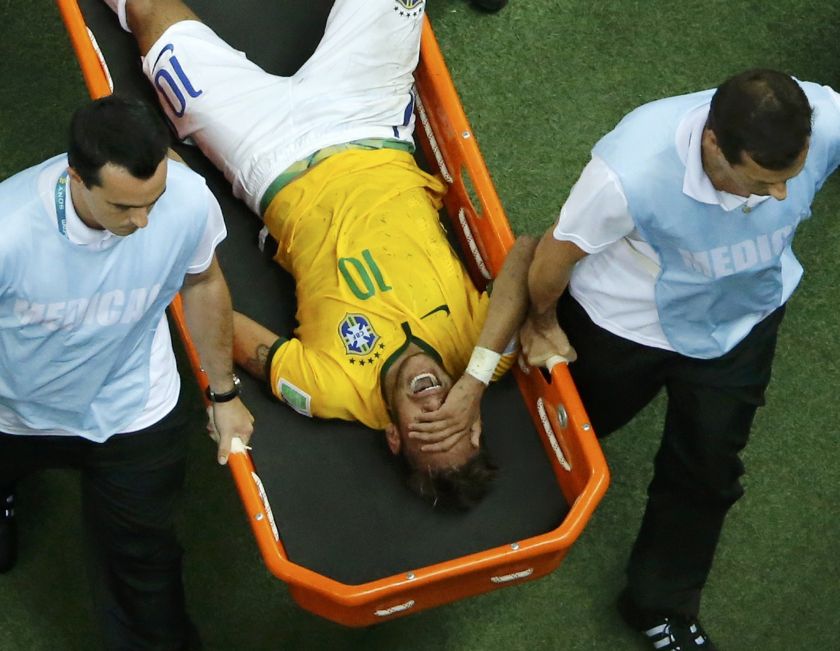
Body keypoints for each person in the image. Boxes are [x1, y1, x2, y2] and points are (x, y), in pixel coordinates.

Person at [105, 0, 536, 509]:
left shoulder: (329, 391)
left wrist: (172, 220)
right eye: (454, 423)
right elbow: (525, 256)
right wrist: (476, 379)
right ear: (475, 421)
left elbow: (222, 325)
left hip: (265, 154)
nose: (435, 407)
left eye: (426, 431)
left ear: (394, 437)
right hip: (370, 116)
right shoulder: (482, 351)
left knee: (147, 12)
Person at [521, 69, 840, 650]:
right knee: (553, 435)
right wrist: (542, 325)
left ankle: (658, 606)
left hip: (740, 320)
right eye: (762, 182)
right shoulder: (629, 170)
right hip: (624, 324)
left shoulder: (821, 119)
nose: (780, 197)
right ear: (713, 144)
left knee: (708, 469)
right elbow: (554, 255)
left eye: (789, 178)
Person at [0, 95, 254, 650]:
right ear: (76, 178)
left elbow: (203, 281)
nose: (142, 223)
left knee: (145, 567)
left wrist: (223, 394)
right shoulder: (8, 231)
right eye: (123, 207)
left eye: (152, 202)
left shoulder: (185, 200)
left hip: (133, 409)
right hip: (12, 413)